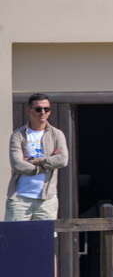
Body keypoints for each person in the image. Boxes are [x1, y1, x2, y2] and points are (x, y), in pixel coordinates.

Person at [6, 93, 68, 221]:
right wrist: (48, 163)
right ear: (30, 110)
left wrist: (35, 161)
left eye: (47, 109)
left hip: (47, 200)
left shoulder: (57, 134)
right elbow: (17, 164)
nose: (43, 112)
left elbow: (63, 160)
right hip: (20, 198)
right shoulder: (18, 135)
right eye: (38, 109)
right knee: (15, 234)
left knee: (44, 234)